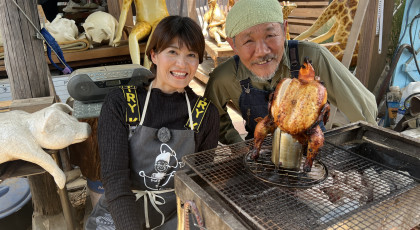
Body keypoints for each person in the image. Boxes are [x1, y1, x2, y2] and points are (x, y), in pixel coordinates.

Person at [85, 15, 220, 229]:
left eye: (191, 55)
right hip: (121, 211)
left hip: (176, 213)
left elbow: (198, 183)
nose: (182, 64)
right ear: (154, 55)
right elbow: (114, 179)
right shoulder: (122, 103)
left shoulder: (204, 114)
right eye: (172, 52)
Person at [204, 0, 378, 145]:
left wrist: (368, 147)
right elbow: (212, 117)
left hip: (313, 153)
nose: (262, 51)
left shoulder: (312, 58)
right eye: (248, 40)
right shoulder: (224, 78)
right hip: (259, 156)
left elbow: (363, 107)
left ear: (284, 29)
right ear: (233, 45)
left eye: (270, 35)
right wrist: (238, 146)